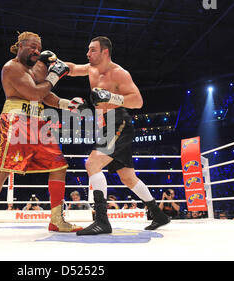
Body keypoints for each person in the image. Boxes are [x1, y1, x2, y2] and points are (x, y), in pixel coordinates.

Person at [0, 31, 87, 238]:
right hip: (16, 120)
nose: (36, 51)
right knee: (4, 169)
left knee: (59, 166)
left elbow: (45, 95)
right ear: (20, 45)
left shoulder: (35, 70)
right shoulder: (12, 67)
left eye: (39, 48)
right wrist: (53, 76)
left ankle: (57, 220)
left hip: (39, 121)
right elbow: (34, 93)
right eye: (32, 47)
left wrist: (67, 104)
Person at [64, 36, 170, 235]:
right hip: (104, 124)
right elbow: (72, 68)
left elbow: (138, 101)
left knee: (92, 164)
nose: (88, 53)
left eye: (92, 50)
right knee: (128, 177)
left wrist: (112, 97)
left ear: (105, 52)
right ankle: (158, 214)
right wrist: (55, 63)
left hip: (117, 121)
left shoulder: (119, 73)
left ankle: (102, 221)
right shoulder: (91, 69)